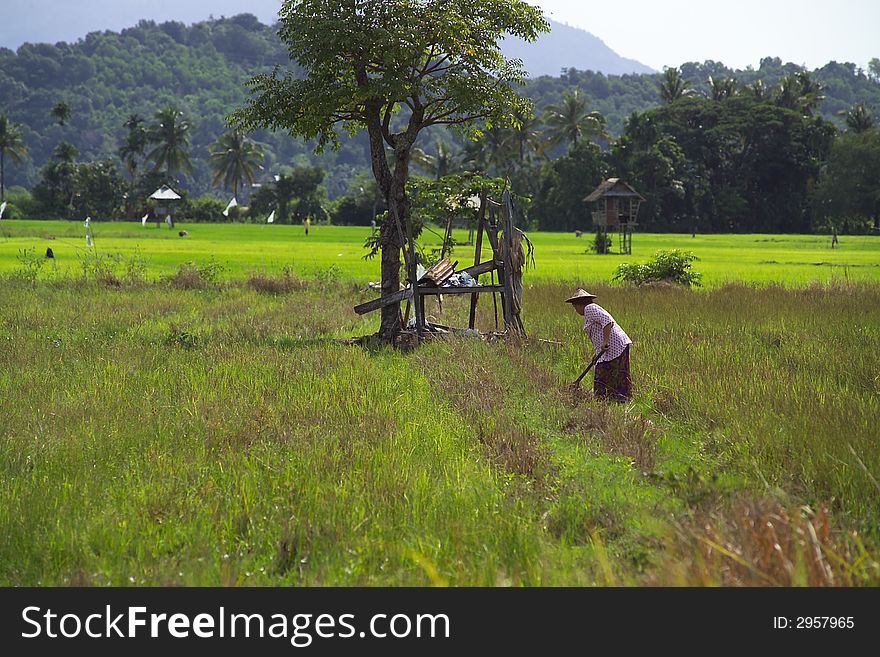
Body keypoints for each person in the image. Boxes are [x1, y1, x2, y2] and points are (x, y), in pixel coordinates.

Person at [566, 289, 633, 401]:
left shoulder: (589, 308)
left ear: (580, 304)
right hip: (608, 349)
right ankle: (608, 400)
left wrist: (605, 342)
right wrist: (596, 353)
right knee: (606, 374)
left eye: (575, 307)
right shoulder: (590, 312)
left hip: (615, 346)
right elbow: (598, 333)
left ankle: (614, 399)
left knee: (612, 374)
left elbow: (608, 322)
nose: (575, 310)